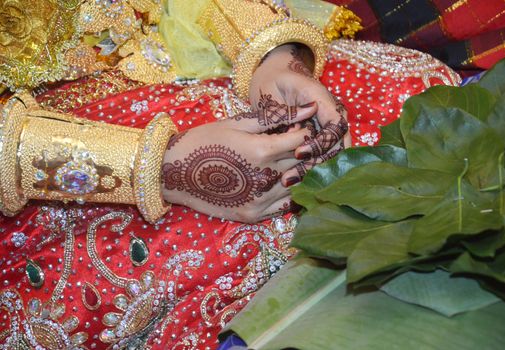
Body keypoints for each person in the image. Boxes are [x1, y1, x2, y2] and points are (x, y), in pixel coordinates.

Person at [0, 0, 460, 348]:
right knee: (219, 240)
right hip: (42, 155)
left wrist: (274, 60)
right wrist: (158, 167)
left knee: (415, 98)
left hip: (184, 60)